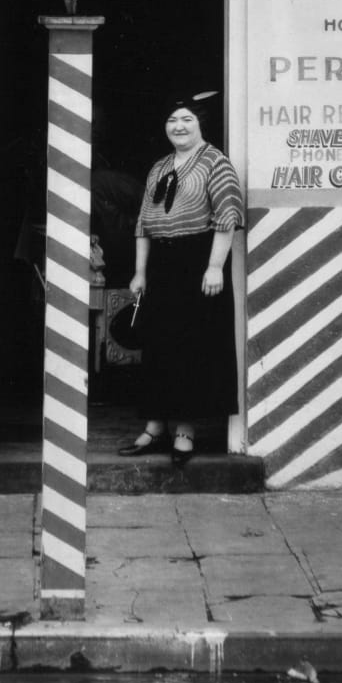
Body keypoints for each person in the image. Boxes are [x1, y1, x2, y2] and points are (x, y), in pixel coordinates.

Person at [116, 90, 244, 466]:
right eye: (173, 121)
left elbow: (228, 215)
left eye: (187, 119)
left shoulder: (215, 162)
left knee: (190, 348)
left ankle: (185, 431)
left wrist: (215, 266)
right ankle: (154, 428)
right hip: (162, 265)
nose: (179, 126)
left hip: (198, 263)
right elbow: (143, 222)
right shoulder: (159, 167)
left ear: (200, 123)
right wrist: (140, 272)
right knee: (158, 345)